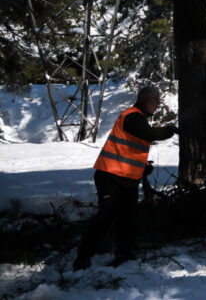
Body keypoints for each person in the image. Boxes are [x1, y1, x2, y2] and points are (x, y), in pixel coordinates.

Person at [73, 85, 177, 270]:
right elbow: (148, 134)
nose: (158, 104)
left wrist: (143, 166)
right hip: (110, 176)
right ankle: (83, 257)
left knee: (128, 218)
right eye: (156, 100)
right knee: (106, 216)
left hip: (126, 178)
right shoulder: (132, 116)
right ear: (148, 100)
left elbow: (130, 148)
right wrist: (169, 131)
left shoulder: (139, 119)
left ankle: (124, 254)